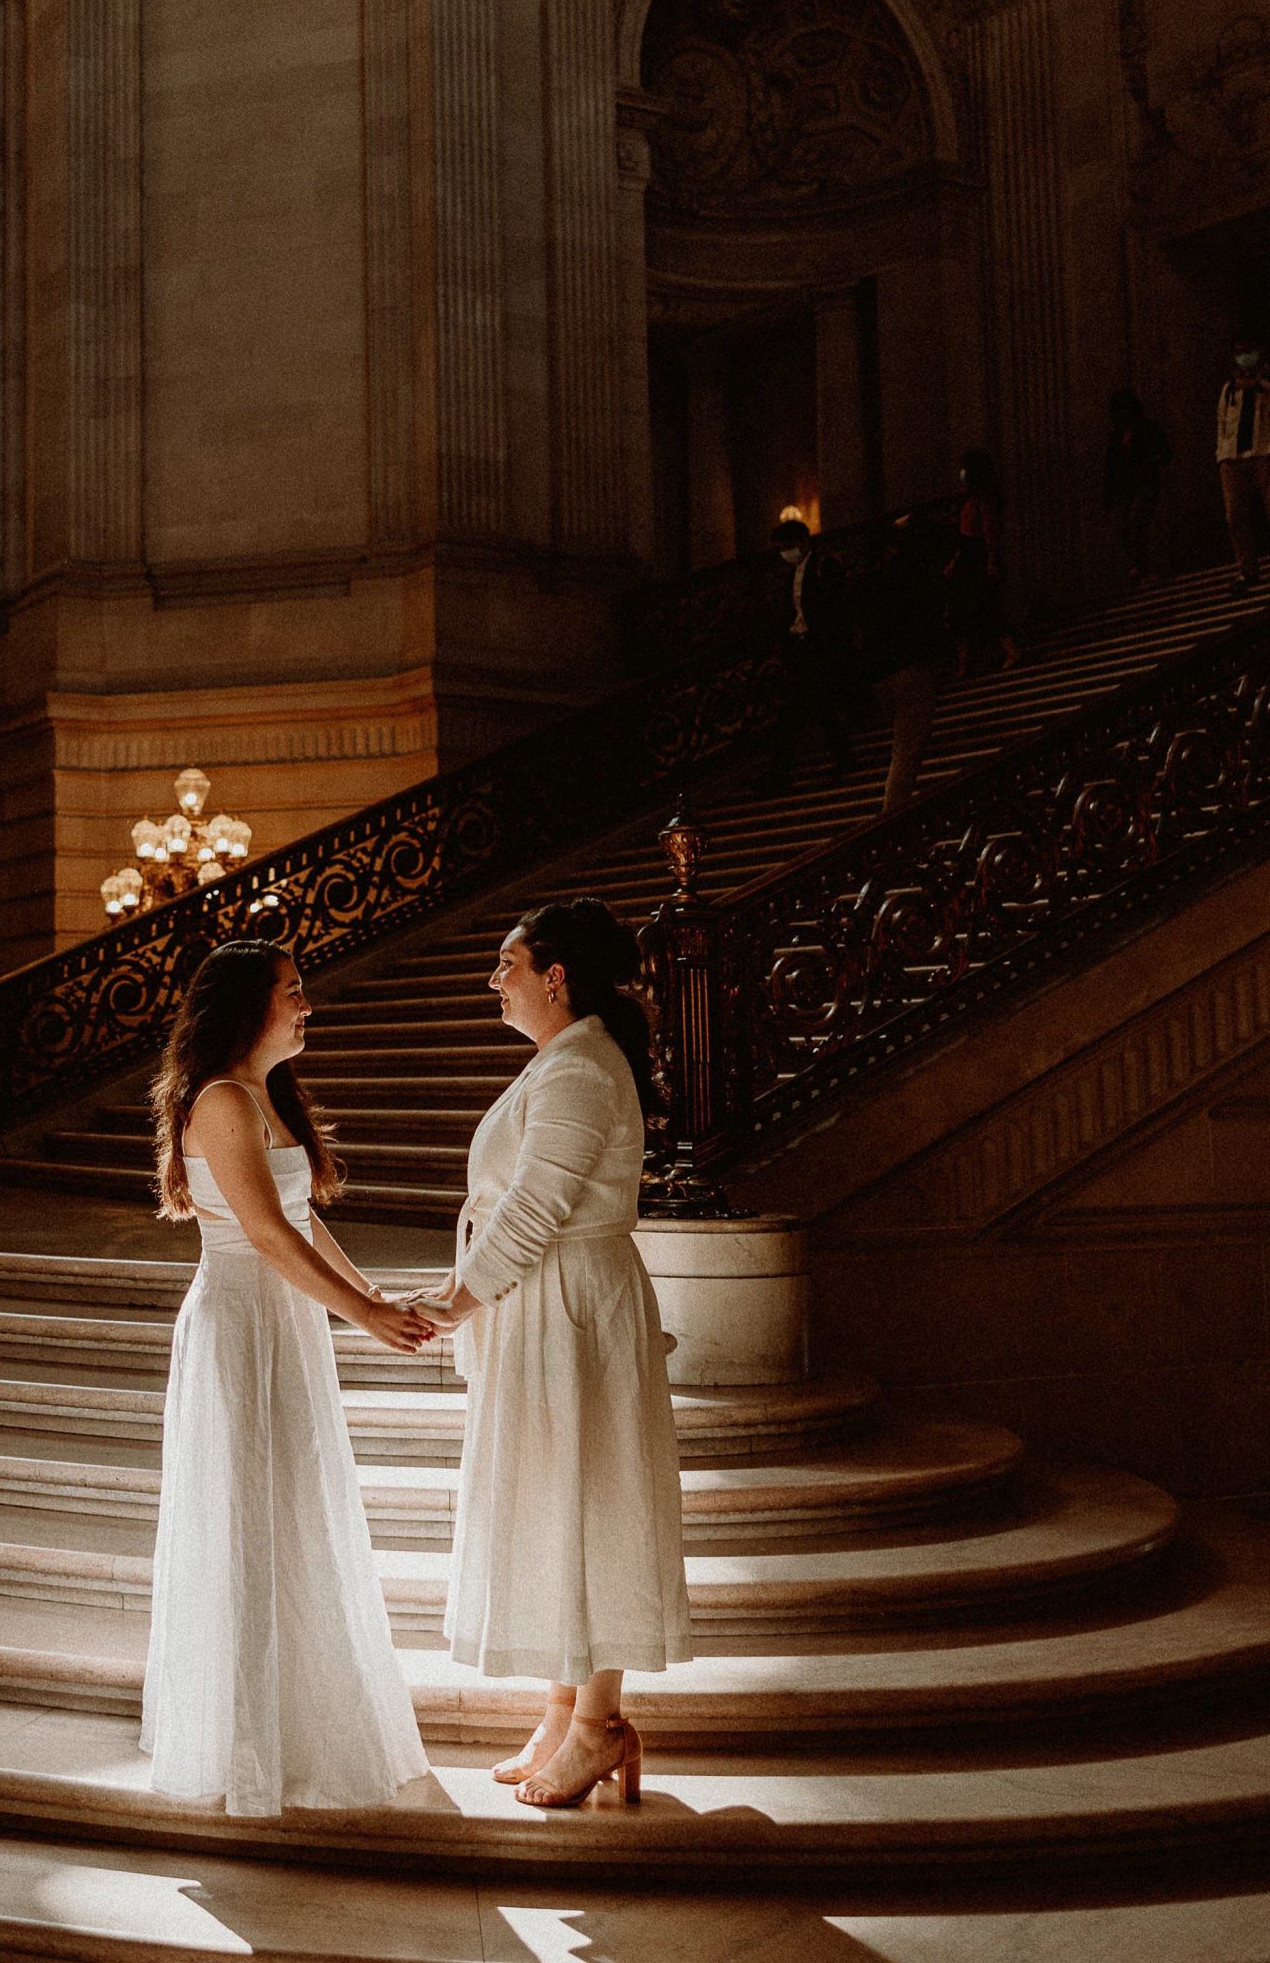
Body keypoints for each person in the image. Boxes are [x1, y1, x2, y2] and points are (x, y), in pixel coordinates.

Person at [140, 939, 432, 1816]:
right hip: (238, 1322)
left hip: (285, 1322)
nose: (308, 1006)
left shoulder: (267, 1095)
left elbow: (301, 1223)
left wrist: (371, 1295)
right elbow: (266, 1237)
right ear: (246, 1006)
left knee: (298, 1507)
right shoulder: (222, 1100)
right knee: (246, 1518)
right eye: (294, 992)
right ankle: (245, 1742)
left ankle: (303, 1720)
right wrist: (365, 1314)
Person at [418, 898, 690, 1810]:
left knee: (594, 1504)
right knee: (557, 1503)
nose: (495, 981)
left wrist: (454, 1303)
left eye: (507, 963)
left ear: (555, 975)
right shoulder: (562, 1062)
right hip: (548, 1305)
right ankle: (563, 1708)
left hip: (571, 1306)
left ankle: (599, 1726)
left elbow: (531, 1210)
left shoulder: (579, 1067)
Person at [756, 514, 858, 788]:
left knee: (807, 708)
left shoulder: (823, 566)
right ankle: (785, 770)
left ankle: (784, 771)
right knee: (804, 709)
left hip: (815, 646)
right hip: (800, 647)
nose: (783, 553)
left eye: (786, 546)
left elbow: (834, 606)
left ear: (801, 541)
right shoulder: (791, 573)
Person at [860, 508, 949, 815]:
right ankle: (892, 819)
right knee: (907, 752)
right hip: (910, 666)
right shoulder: (919, 575)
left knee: (905, 748)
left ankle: (895, 813)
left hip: (882, 672)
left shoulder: (876, 578)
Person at [946, 449, 1018, 675]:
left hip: (977, 558)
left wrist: (992, 560)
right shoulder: (971, 498)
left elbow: (988, 531)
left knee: (985, 606)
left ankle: (1010, 651)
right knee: (960, 611)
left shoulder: (983, 499)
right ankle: (964, 664)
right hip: (967, 557)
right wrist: (955, 561)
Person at [1215, 338, 1270, 591]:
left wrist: (1258, 383)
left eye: (1248, 353)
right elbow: (1222, 424)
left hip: (1263, 452)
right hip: (1233, 457)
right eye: (1240, 354)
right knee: (1235, 515)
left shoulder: (1265, 385)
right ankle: (1247, 569)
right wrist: (1222, 455)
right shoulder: (1229, 390)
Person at [1103, 389, 1170, 591]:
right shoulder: (1116, 437)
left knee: (1138, 523)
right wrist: (1108, 497)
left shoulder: (1148, 429)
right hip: (1125, 488)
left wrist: (1154, 459)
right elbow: (1110, 468)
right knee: (1125, 528)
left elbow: (1165, 453)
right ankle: (1138, 566)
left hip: (1144, 483)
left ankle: (1143, 567)